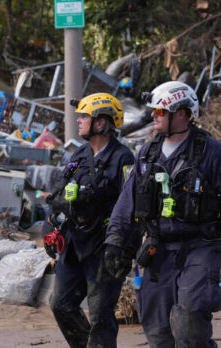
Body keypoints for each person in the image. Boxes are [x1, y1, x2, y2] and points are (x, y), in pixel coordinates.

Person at [102, 81, 221, 348]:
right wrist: (115, 242)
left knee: (189, 318)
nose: (153, 116)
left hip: (200, 247)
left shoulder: (212, 152)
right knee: (157, 331)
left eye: (160, 111)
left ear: (181, 113)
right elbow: (126, 203)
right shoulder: (147, 154)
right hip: (157, 249)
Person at [44, 93, 135, 348]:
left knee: (100, 317)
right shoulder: (78, 155)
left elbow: (132, 207)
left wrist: (124, 248)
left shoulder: (123, 159)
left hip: (104, 249)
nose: (79, 121)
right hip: (74, 246)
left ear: (102, 123)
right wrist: (49, 230)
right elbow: (57, 197)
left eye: (85, 116)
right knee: (60, 304)